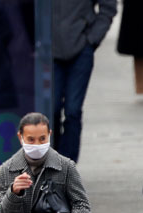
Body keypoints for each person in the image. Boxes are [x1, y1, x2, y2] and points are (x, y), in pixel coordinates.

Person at [52, 0, 117, 162]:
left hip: (81, 49)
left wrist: (92, 39)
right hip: (48, 52)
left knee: (73, 110)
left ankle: (67, 166)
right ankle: (50, 163)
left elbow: (108, 7)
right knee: (51, 110)